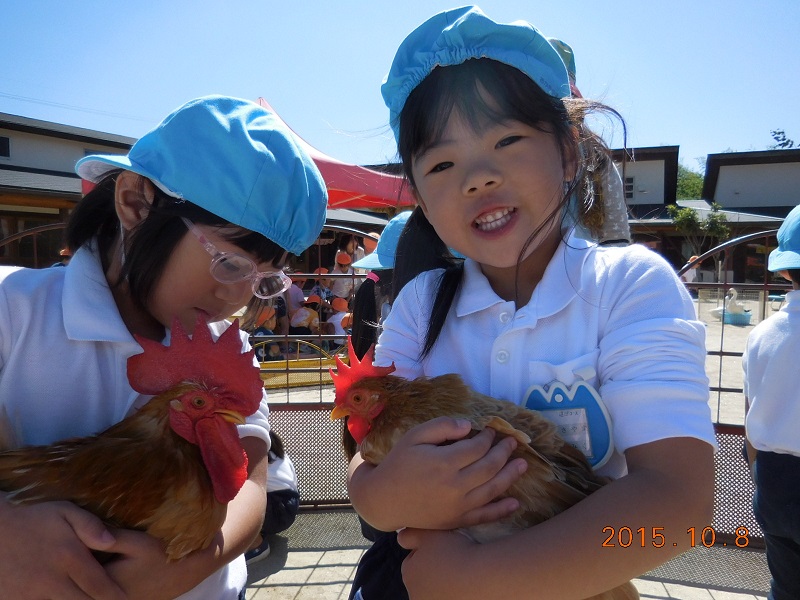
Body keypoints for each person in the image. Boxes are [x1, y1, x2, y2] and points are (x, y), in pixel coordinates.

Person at [346, 8, 716, 600]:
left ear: (569, 153)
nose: (477, 178)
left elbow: (679, 505)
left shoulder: (627, 286)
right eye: (442, 163)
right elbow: (367, 470)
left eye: (507, 140)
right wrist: (385, 496)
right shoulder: (421, 303)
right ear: (418, 195)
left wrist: (479, 579)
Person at [0, 95, 327, 600]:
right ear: (135, 203)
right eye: (231, 263)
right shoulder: (11, 312)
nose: (238, 297)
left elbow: (254, 486)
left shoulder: (227, 344)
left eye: (263, 279)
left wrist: (194, 562)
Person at [743, 204, 800, 600]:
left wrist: (757, 472)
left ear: (784, 270)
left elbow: (751, 408)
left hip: (775, 481)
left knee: (785, 585)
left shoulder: (763, 333)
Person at [245, 429, 300, 565]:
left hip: (277, 510)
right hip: (288, 505)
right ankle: (257, 532)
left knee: (229, 496)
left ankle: (256, 545)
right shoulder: (274, 450)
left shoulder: (252, 453)